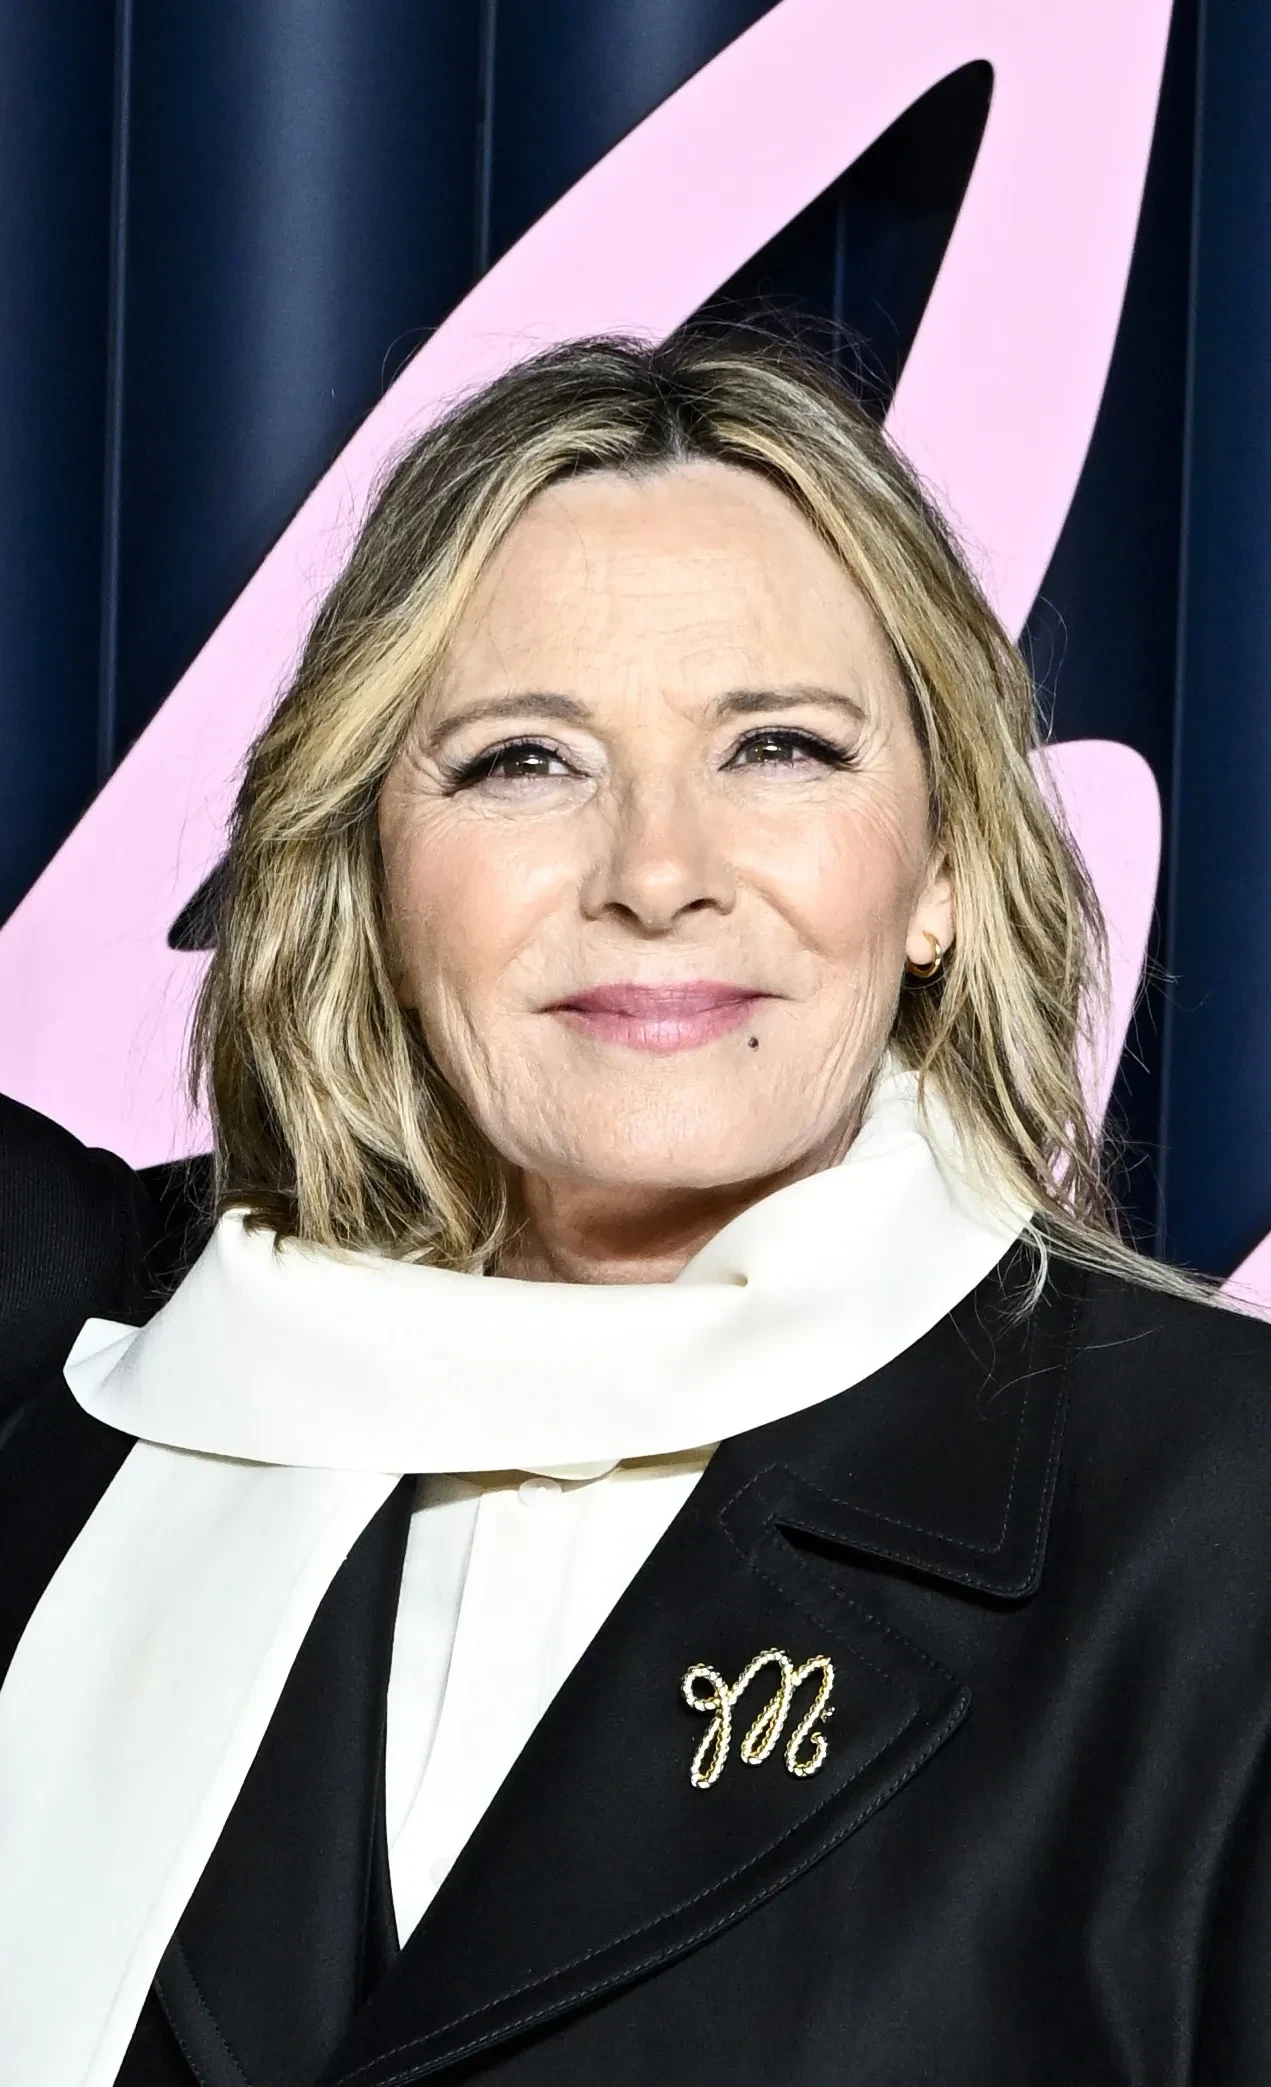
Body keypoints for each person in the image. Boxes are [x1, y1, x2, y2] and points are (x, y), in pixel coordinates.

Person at [1, 330, 1268, 2087]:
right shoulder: (102, 1360)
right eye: (524, 760)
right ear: (373, 870)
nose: (655, 871)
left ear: (942, 867)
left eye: (779, 747)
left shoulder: (1221, 1518)